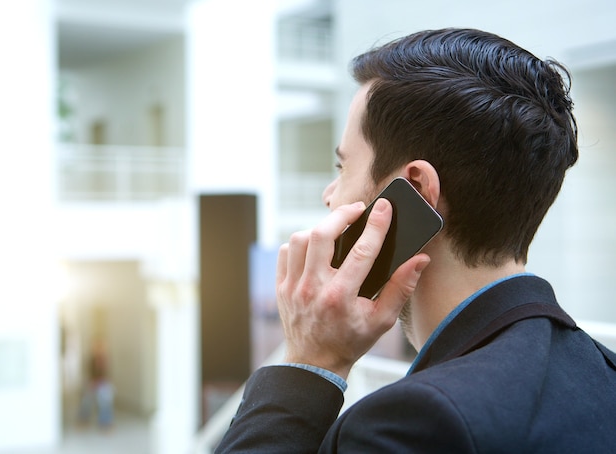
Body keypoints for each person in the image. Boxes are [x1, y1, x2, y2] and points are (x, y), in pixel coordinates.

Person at [216, 28, 616, 453]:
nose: (329, 195)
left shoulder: (411, 422)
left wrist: (309, 361)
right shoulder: (604, 369)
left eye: (342, 167)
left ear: (417, 191)